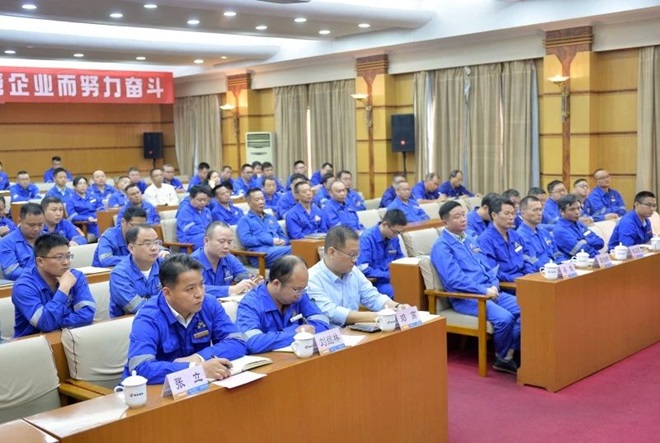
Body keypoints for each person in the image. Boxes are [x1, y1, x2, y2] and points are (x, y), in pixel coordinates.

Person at [124, 254, 246, 384]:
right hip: (157, 389)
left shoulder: (209, 304)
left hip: (198, 386)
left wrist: (199, 358)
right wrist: (194, 369)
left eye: (201, 284)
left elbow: (237, 342)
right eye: (190, 289)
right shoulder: (148, 317)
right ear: (167, 293)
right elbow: (140, 368)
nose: (200, 294)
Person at [431, 200, 520, 375]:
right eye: (457, 217)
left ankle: (511, 350)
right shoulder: (441, 247)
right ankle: (503, 358)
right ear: (445, 222)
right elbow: (454, 280)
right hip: (468, 297)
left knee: (527, 309)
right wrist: (483, 291)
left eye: (463, 214)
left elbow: (488, 267)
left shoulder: (470, 238)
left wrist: (493, 284)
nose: (463, 219)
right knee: (505, 319)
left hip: (491, 291)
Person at [307, 226, 404, 326]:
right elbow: (332, 312)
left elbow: (372, 297)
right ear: (332, 252)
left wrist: (397, 306)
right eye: (352, 255)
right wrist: (376, 316)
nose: (355, 260)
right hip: (331, 332)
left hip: (354, 330)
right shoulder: (311, 279)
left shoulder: (353, 271)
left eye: (357, 254)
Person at [236, 255, 330, 354]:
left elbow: (322, 323)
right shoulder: (250, 304)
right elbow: (253, 342)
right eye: (296, 290)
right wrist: (296, 333)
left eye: (304, 289)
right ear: (276, 284)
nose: (300, 295)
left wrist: (281, 337)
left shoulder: (299, 295)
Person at [12, 233, 96, 338]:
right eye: (59, 257)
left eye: (68, 256)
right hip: (31, 343)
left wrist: (58, 323)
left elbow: (87, 314)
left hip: (70, 336)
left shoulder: (76, 276)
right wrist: (64, 289)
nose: (66, 262)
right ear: (40, 261)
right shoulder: (23, 287)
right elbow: (45, 323)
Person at [190, 222, 261, 298]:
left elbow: (242, 273)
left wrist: (252, 280)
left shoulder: (228, 258)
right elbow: (195, 289)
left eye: (229, 242)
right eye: (222, 241)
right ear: (206, 241)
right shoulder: (192, 262)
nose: (226, 246)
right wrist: (231, 289)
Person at [109, 225, 164, 317]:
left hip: (162, 317)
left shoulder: (164, 265)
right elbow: (136, 307)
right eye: (147, 244)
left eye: (156, 242)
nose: (154, 248)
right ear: (131, 248)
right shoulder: (119, 274)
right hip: (130, 322)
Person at [478, 198, 533, 282]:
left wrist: (529, 273)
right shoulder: (485, 239)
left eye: (513, 213)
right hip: (507, 284)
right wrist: (514, 279)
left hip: (524, 279)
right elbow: (492, 271)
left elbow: (527, 257)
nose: (511, 217)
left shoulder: (515, 235)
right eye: (506, 213)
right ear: (494, 215)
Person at [357, 209, 407, 299]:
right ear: (384, 225)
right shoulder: (366, 238)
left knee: (414, 288)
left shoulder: (394, 238)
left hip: (393, 279)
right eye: (394, 232)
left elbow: (400, 260)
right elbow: (363, 268)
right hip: (375, 282)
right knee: (400, 293)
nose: (396, 235)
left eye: (399, 232)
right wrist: (388, 275)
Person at [237, 188, 291, 267]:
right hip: (261, 255)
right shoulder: (244, 220)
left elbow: (281, 234)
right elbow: (246, 240)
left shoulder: (271, 217)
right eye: (257, 200)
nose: (261, 202)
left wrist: (284, 241)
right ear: (249, 203)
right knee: (296, 250)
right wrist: (270, 240)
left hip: (279, 249)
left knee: (299, 249)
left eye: (262, 199)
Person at [516, 196, 564, 271]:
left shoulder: (544, 232)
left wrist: (562, 264)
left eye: (540, 209)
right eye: (535, 210)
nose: (539, 213)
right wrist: (554, 266)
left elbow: (557, 253)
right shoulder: (520, 236)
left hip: (555, 269)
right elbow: (533, 262)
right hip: (540, 272)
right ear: (523, 213)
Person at [0, 203, 44, 280]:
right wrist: (41, 274)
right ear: (19, 221)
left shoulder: (49, 239)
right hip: (23, 284)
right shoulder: (6, 242)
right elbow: (11, 272)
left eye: (40, 224)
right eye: (32, 225)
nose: (37, 229)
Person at [554, 194, 604, 258]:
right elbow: (581, 251)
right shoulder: (560, 230)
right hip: (578, 262)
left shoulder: (579, 224)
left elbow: (600, 242)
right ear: (562, 212)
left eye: (578, 208)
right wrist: (593, 247)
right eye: (572, 209)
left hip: (595, 258)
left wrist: (586, 241)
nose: (577, 212)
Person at [176, 185, 213, 250]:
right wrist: (209, 232)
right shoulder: (185, 211)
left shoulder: (207, 210)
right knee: (212, 241)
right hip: (190, 240)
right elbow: (190, 230)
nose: (203, 203)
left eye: (205, 200)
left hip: (205, 236)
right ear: (191, 198)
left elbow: (211, 225)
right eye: (199, 200)